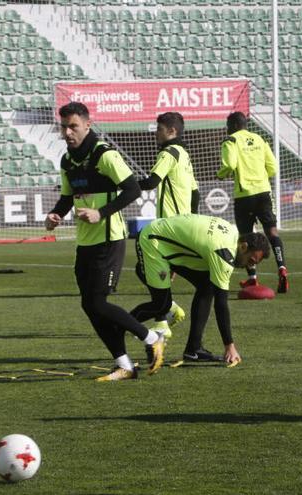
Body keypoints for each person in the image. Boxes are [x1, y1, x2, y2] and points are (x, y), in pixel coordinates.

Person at [45, 102, 165, 382]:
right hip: (85, 242)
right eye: (64, 126)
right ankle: (125, 365)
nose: (68, 132)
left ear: (88, 124)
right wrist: (56, 213)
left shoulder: (104, 154)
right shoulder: (67, 160)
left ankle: (151, 337)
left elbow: (133, 188)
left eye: (73, 126)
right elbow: (66, 197)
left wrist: (101, 213)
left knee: (97, 303)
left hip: (110, 239)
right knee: (90, 305)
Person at [131, 214, 270, 364]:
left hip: (167, 240)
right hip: (153, 241)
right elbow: (221, 304)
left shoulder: (233, 233)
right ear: (243, 247)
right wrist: (229, 346)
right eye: (251, 260)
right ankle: (115, 325)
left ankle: (193, 349)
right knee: (161, 305)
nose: (250, 266)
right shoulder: (224, 254)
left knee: (207, 286)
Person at [136, 112, 197, 338]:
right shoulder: (184, 154)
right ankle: (167, 313)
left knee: (145, 269)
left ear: (172, 131)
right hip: (184, 225)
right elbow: (195, 193)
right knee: (159, 272)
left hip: (168, 227)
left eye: (159, 128)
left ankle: (164, 316)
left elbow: (152, 181)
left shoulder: (169, 152)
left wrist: (123, 184)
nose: (156, 132)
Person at [218, 111, 288, 293]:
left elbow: (229, 165)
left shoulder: (231, 141)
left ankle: (252, 279)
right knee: (272, 231)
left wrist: (221, 174)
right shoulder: (259, 139)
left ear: (233, 126)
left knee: (246, 237)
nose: (227, 130)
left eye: (227, 126)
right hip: (264, 191)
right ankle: (282, 268)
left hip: (244, 195)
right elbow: (273, 167)